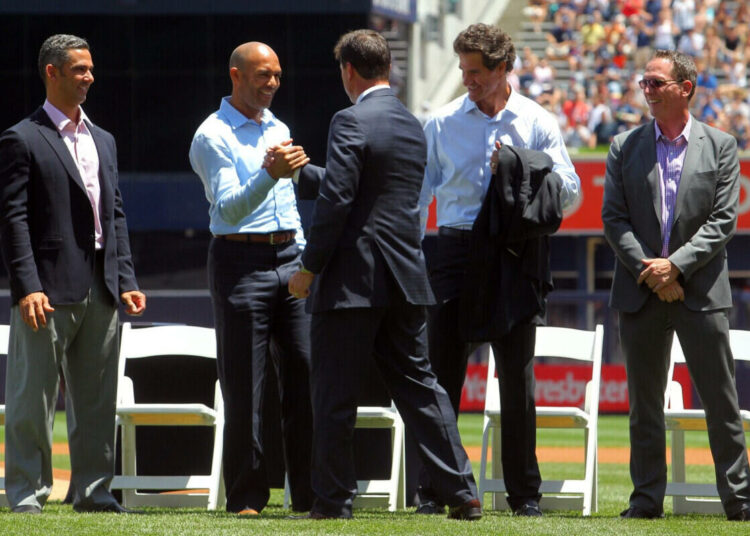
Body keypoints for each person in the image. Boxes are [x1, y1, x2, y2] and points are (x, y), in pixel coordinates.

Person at [285, 29, 481, 521]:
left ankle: (333, 501)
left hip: (352, 279)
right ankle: (462, 491)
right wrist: (306, 172)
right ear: (387, 69)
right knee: (421, 387)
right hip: (404, 276)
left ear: (349, 71)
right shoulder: (412, 125)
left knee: (334, 393)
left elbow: (339, 202)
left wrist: (309, 267)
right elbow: (372, 191)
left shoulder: (349, 119)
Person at [416, 23, 580, 517]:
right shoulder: (441, 123)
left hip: (514, 255)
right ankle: (434, 490)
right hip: (455, 252)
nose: (467, 80)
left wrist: (523, 167)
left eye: (477, 72)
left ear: (504, 68)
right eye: (464, 70)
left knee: (517, 380)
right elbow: (417, 197)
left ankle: (524, 495)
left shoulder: (536, 120)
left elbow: (571, 192)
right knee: (441, 379)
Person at [0, 34, 146, 514]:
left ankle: (94, 491)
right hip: (46, 291)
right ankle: (25, 493)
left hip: (103, 287)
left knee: (97, 400)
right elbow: (13, 219)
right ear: (52, 72)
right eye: (79, 69)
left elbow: (116, 214)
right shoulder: (21, 137)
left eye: (90, 68)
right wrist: (27, 287)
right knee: (31, 402)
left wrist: (126, 279)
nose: (89, 77)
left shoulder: (103, 138)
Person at [602, 49, 750, 521]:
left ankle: (740, 502)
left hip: (700, 292)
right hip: (641, 291)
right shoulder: (623, 146)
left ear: (685, 88)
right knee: (644, 409)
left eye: (656, 83)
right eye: (644, 83)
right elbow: (614, 219)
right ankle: (646, 502)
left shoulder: (721, 145)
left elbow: (723, 220)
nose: (646, 90)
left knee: (721, 405)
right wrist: (654, 272)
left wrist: (676, 268)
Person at [189, 41, 313, 516]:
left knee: (304, 374)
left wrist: (302, 257)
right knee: (245, 386)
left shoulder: (278, 127)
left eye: (278, 75)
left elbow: (290, 203)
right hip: (240, 263)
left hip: (288, 258)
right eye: (263, 75)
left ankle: (306, 493)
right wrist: (269, 173)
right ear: (235, 75)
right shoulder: (212, 134)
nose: (273, 83)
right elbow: (226, 209)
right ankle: (247, 497)